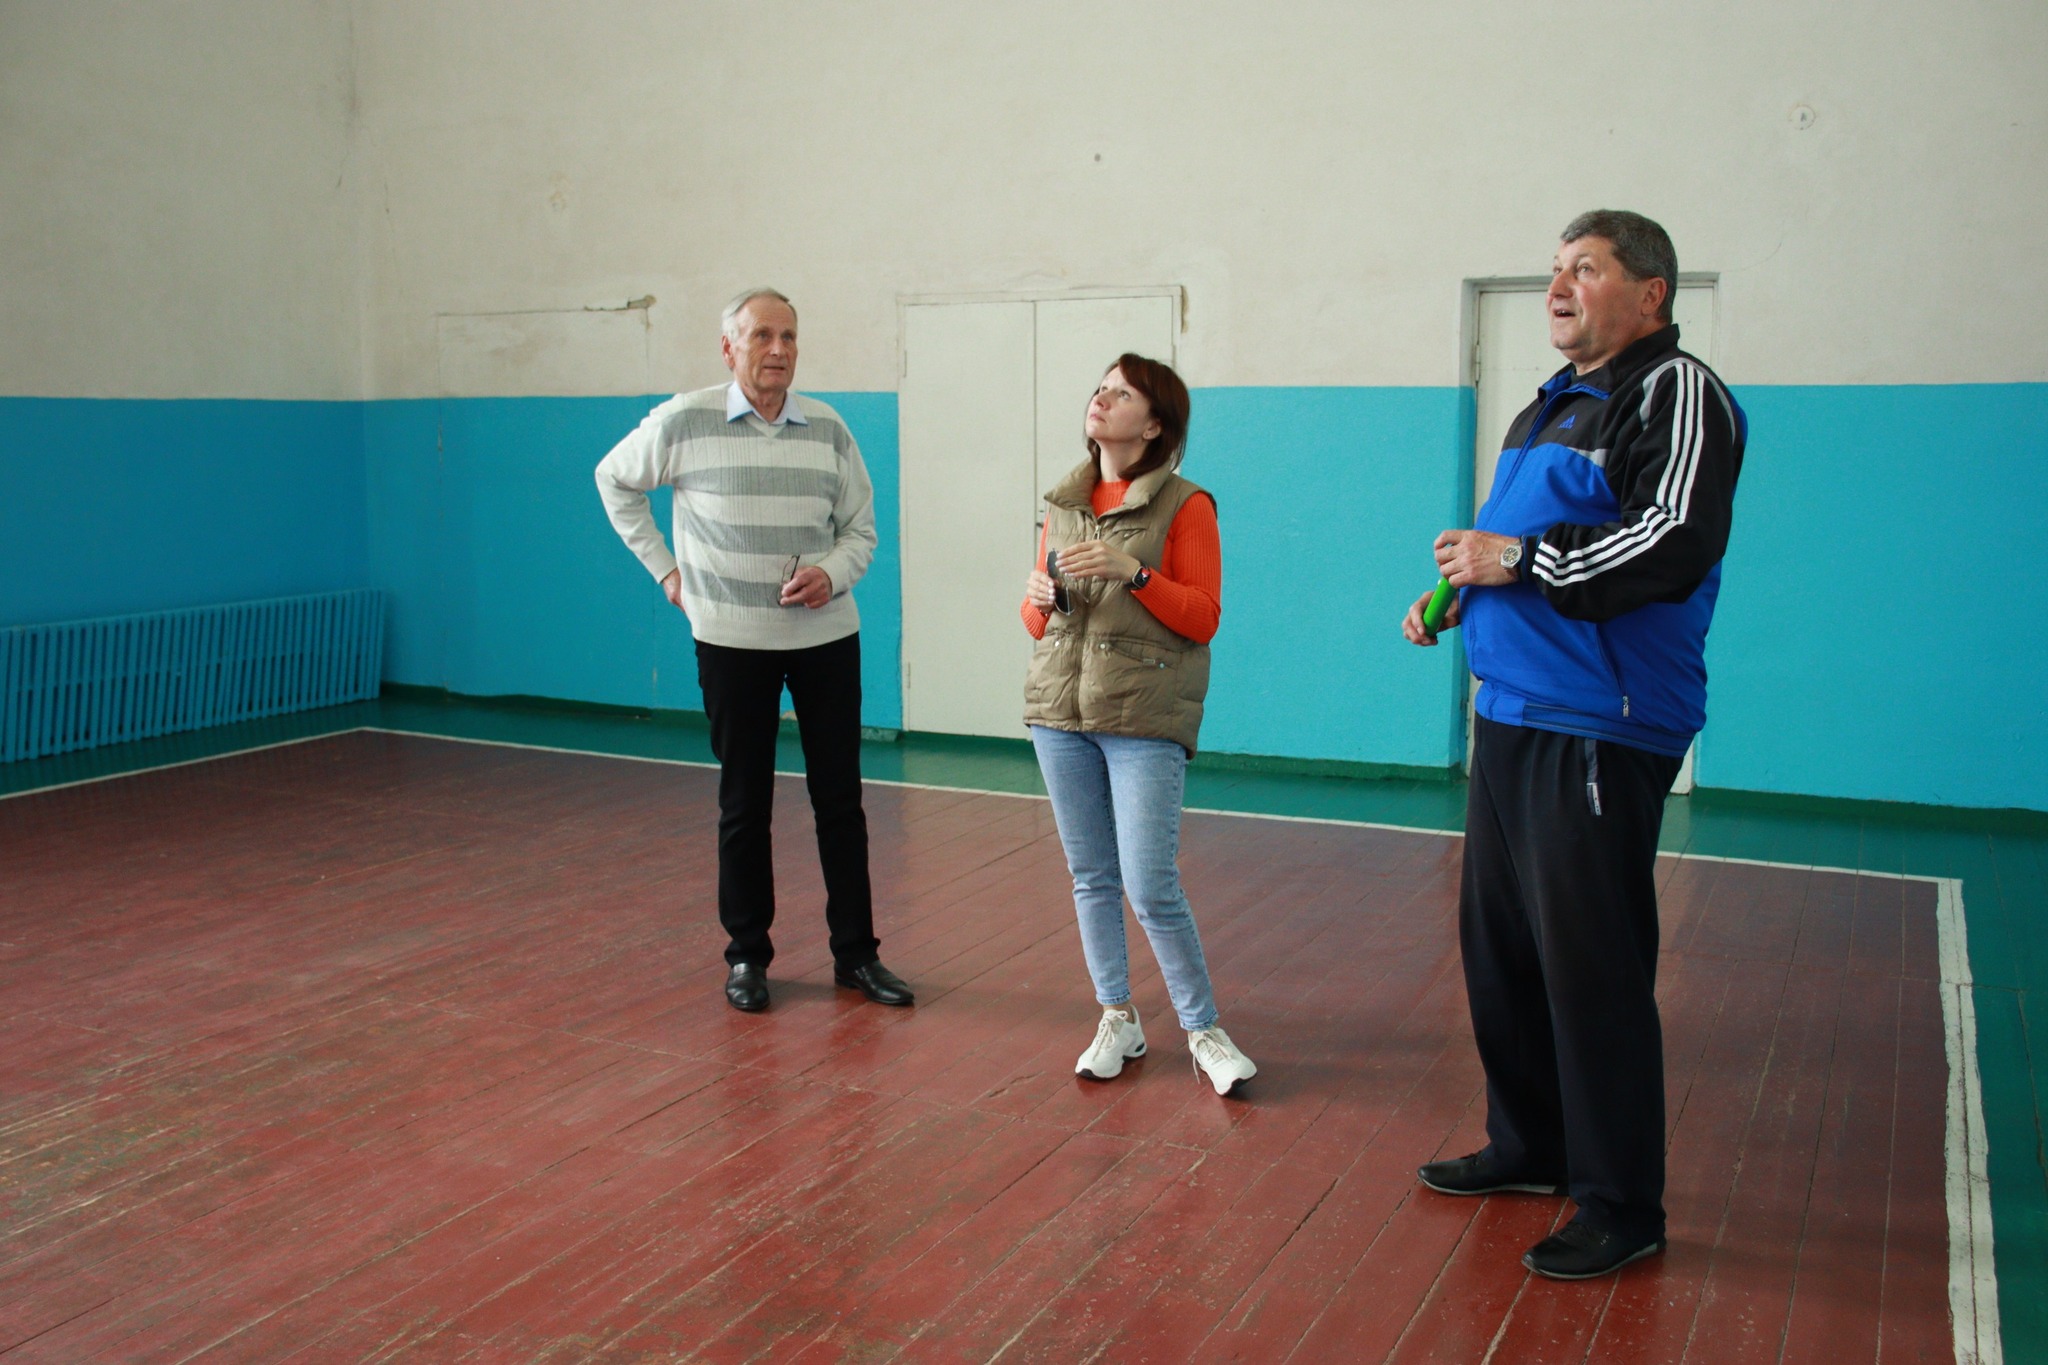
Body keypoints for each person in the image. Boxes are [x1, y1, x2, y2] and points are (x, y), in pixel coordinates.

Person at [1402, 212, 1746, 1279]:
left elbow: (1670, 540)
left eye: (1583, 269)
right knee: (1502, 952)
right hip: (1509, 714)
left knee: (1589, 967)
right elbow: (1513, 550)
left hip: (1598, 723)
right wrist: (1453, 595)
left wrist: (1513, 562)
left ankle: (1620, 1200)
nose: (1558, 286)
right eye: (1553, 270)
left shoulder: (1675, 391)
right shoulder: (1545, 405)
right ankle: (1531, 1144)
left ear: (1649, 292)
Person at [594, 287, 913, 1013]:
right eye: (762, 335)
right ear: (728, 347)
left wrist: (832, 573)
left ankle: (857, 955)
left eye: (789, 336)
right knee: (745, 803)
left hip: (827, 640)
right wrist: (667, 572)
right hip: (732, 642)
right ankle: (747, 957)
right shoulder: (685, 419)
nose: (778, 349)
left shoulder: (829, 428)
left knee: (841, 801)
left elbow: (861, 529)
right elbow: (613, 478)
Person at [1021, 353, 1256, 1096]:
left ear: (1154, 425)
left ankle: (1203, 1030)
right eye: (1100, 388)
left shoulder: (1187, 505)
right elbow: (1036, 621)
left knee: (1150, 882)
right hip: (1059, 711)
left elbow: (1204, 617)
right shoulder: (1065, 501)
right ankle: (1117, 1016)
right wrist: (1040, 596)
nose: (1101, 399)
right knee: (1092, 876)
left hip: (1144, 715)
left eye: (1121, 394)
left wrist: (1134, 572)